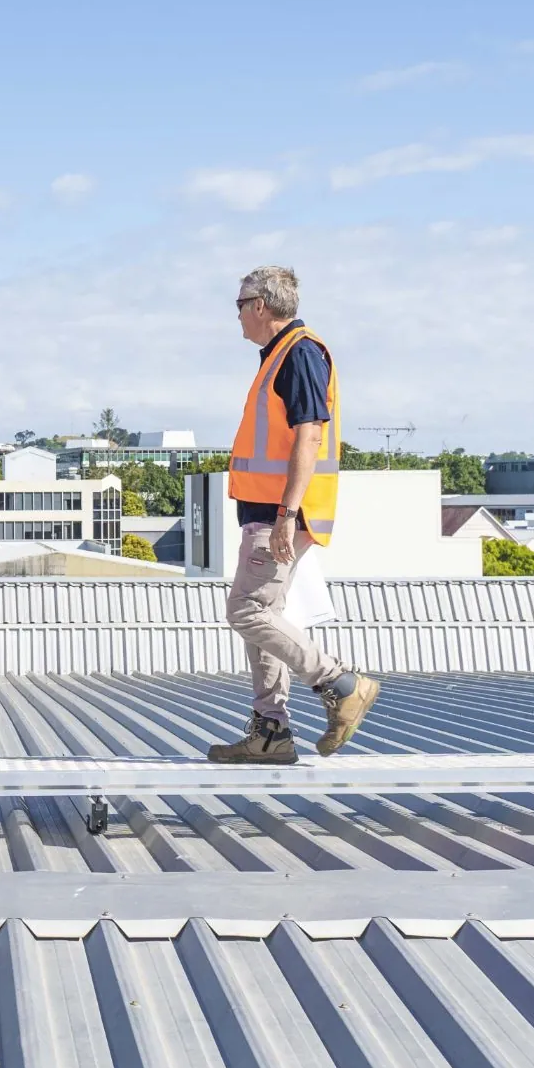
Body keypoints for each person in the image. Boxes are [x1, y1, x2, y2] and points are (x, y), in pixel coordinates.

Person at [209, 265, 381, 763]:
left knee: (247, 610)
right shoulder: (280, 355)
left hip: (279, 513)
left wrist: (288, 513)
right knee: (264, 615)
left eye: (240, 304)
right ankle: (271, 731)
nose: (237, 314)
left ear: (260, 306)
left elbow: (310, 434)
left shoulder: (300, 353)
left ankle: (341, 683)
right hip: (266, 511)